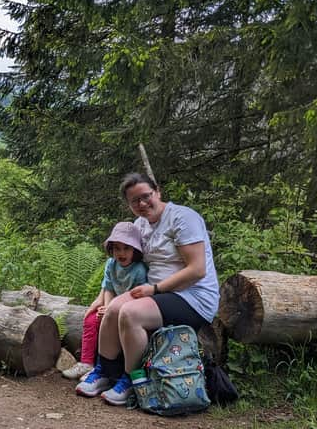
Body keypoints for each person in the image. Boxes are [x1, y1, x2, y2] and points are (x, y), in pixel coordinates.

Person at [75, 173, 219, 405]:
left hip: (192, 297)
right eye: (135, 201)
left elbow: (197, 270)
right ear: (129, 205)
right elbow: (117, 266)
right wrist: (103, 297)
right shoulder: (139, 225)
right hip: (155, 293)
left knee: (131, 313)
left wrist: (155, 288)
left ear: (157, 192)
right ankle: (104, 373)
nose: (142, 204)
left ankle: (132, 381)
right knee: (113, 309)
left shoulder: (182, 218)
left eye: (146, 196)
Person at [63, 222, 148, 382]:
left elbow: (138, 297)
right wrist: (107, 307)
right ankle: (87, 363)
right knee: (90, 319)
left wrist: (112, 312)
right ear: (111, 249)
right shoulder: (111, 264)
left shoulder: (139, 269)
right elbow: (108, 287)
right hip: (111, 304)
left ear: (134, 250)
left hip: (128, 308)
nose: (121, 253)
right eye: (117, 248)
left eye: (126, 248)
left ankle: (108, 368)